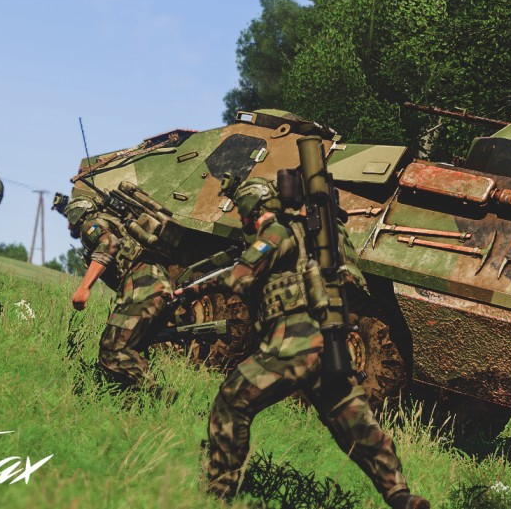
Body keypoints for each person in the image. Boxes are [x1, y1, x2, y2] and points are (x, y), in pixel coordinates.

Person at [177, 177, 429, 509]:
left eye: (241, 209)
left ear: (253, 207)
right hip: (332, 344)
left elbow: (240, 277)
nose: (239, 217)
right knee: (355, 424)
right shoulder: (318, 237)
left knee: (231, 401)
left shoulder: (277, 231)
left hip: (293, 342)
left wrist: (191, 289)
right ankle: (401, 495)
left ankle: (217, 495)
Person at [62, 193, 176, 402]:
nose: (68, 225)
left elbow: (109, 244)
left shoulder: (91, 224)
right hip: (160, 284)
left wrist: (84, 287)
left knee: (112, 351)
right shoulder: (116, 223)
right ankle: (132, 403)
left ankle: (160, 399)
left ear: (77, 213)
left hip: (143, 287)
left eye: (69, 218)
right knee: (129, 349)